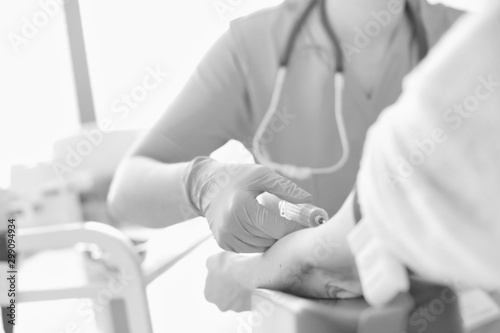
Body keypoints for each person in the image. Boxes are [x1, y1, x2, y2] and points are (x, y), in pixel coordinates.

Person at [203, 0, 500, 312]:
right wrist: (202, 184)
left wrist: (240, 276)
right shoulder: (252, 42)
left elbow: (335, 257)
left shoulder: (466, 49)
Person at [108, 0, 462, 253]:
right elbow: (126, 193)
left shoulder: (475, 41)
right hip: (303, 311)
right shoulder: (252, 48)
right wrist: (203, 185)